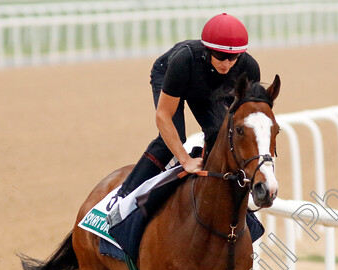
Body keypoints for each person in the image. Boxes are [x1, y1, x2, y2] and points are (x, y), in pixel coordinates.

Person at [108, 13, 261, 206]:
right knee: (172, 139)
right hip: (169, 73)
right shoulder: (184, 60)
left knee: (220, 132)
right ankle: (123, 197)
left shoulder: (249, 68)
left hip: (207, 87)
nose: (226, 63)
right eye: (221, 56)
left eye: (233, 58)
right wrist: (186, 160)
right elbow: (163, 116)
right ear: (208, 50)